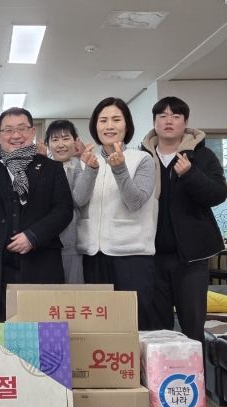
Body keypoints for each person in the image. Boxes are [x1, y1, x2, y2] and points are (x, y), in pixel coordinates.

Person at [0, 107, 73, 321]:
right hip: (0, 266)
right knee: (3, 329)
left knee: (45, 325)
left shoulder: (52, 168)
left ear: (32, 132)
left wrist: (33, 236)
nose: (16, 135)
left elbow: (63, 210)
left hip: (41, 261)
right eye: (9, 130)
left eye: (22, 128)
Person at [141, 96, 227, 342]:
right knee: (156, 331)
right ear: (154, 122)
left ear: (186, 122)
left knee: (192, 328)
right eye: (162, 116)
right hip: (151, 256)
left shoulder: (202, 156)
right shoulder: (143, 157)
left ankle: (196, 368)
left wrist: (190, 174)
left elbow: (219, 194)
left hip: (192, 257)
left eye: (175, 116)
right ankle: (159, 369)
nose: (168, 121)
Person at [74, 97, 157, 330]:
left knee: (134, 323)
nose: (109, 126)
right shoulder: (87, 160)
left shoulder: (142, 159)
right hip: (93, 254)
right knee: (99, 326)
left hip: (132, 255)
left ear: (127, 125)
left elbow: (135, 202)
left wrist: (119, 168)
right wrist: (90, 169)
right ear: (95, 126)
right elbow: (78, 200)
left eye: (116, 120)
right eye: (103, 120)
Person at [45, 120, 84, 284]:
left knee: (73, 289)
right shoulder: (42, 167)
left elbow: (77, 200)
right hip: (45, 242)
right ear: (48, 144)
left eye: (66, 138)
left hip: (72, 241)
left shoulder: (80, 167)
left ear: (75, 141)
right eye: (55, 140)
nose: (60, 145)